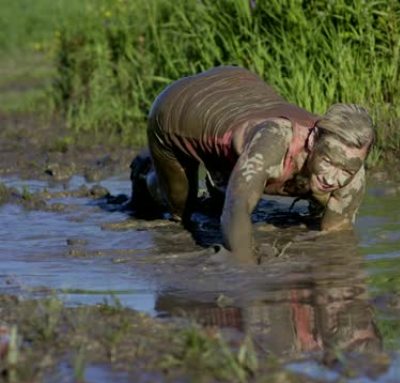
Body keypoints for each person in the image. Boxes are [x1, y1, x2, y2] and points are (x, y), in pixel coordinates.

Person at [129, 66, 375, 264]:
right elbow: (236, 209)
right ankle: (145, 171)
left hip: (242, 91)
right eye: (329, 162)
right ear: (312, 140)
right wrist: (249, 274)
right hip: (178, 108)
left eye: (346, 171)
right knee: (182, 210)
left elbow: (337, 239)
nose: (333, 179)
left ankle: (223, 179)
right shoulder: (274, 142)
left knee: (315, 190)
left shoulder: (352, 162)